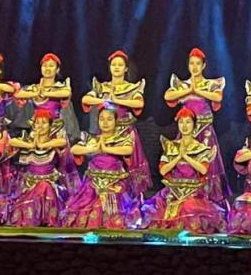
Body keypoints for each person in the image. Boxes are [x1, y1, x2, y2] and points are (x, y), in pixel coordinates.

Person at [142, 107, 226, 232]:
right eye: (181, 122)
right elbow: (163, 171)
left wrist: (185, 156)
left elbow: (203, 170)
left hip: (193, 191)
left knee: (188, 207)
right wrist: (178, 157)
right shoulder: (171, 146)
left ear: (194, 125)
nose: (184, 126)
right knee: (161, 207)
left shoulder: (200, 147)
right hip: (173, 190)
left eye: (188, 122)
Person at [163, 47, 230, 203]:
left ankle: (209, 199)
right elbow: (168, 95)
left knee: (206, 162)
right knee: (184, 161)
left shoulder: (209, 84)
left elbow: (217, 97)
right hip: (186, 131)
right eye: (191, 63)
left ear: (203, 66)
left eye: (198, 64)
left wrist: (196, 90)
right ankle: (185, 195)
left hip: (205, 131)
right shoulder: (183, 85)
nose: (194, 67)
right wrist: (189, 90)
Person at [81, 50, 152, 195]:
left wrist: (117, 100)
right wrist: (104, 100)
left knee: (129, 166)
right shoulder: (103, 87)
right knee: (107, 162)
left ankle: (130, 198)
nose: (117, 67)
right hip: (106, 131)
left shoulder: (131, 88)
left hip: (125, 132)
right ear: (110, 68)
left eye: (120, 65)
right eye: (114, 65)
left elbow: (139, 103)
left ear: (126, 68)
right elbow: (86, 99)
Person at [63, 105, 142, 229]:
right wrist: (93, 148)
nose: (105, 122)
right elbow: (74, 149)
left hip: (114, 181)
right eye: (102, 119)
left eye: (109, 119)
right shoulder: (93, 139)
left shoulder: (121, 139)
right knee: (89, 202)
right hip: (93, 181)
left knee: (111, 203)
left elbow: (128, 150)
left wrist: (105, 149)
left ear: (116, 121)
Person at [7, 108, 70, 227]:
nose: (40, 126)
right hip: (30, 184)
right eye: (37, 122)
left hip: (50, 184)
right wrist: (31, 145)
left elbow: (63, 142)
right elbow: (11, 142)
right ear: (34, 125)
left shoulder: (55, 142)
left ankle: (47, 218)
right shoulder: (27, 140)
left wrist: (42, 144)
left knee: (44, 186)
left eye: (44, 123)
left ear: (50, 126)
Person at [14, 52, 80, 143]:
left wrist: (45, 93)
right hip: (38, 127)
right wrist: (36, 93)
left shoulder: (59, 87)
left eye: (51, 66)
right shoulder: (35, 88)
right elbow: (18, 94)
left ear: (57, 69)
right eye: (45, 66)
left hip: (55, 127)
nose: (47, 68)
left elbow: (66, 93)